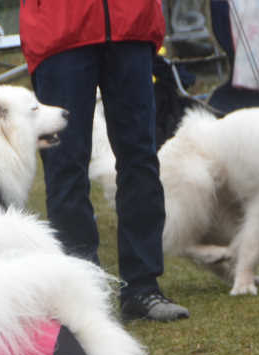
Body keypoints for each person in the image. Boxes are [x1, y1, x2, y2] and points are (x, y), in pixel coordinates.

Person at [18, 0, 190, 322]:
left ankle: (142, 287)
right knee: (66, 165)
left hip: (131, 25)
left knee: (140, 158)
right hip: (61, 29)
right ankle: (83, 294)